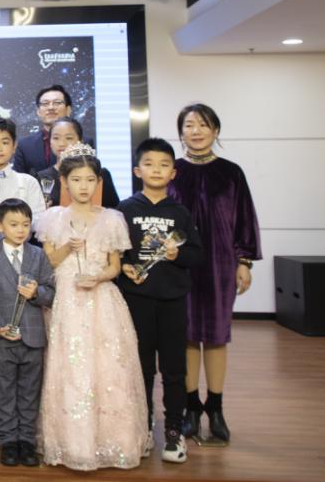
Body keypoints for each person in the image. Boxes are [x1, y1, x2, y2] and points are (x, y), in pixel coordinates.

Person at [35, 143, 149, 471]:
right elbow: (48, 262)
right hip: (66, 299)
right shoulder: (52, 218)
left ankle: (114, 441)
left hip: (101, 300)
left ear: (98, 182)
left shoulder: (112, 219)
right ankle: (71, 442)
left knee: (108, 367)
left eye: (89, 180)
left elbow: (114, 266)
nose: (83, 186)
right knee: (68, 366)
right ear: (64, 182)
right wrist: (67, 249)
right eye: (76, 180)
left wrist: (98, 277)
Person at [169, 103, 261, 444]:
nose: (196, 131)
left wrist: (244, 262)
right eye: (189, 125)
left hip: (221, 263)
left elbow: (245, 219)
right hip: (180, 264)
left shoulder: (231, 172)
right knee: (188, 335)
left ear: (215, 130)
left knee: (217, 336)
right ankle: (192, 407)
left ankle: (217, 408)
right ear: (181, 132)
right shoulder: (173, 171)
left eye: (203, 125)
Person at [118, 138, 204, 464]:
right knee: (140, 368)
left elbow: (197, 255)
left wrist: (176, 254)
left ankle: (173, 430)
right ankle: (142, 425)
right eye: (149, 164)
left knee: (173, 369)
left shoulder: (180, 213)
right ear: (137, 170)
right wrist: (124, 268)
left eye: (164, 164)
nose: (156, 170)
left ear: (173, 173)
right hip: (136, 300)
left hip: (172, 301)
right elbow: (115, 254)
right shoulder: (125, 210)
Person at [0, 198, 55, 468]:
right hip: (4, 338)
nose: (21, 230)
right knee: (5, 392)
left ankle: (27, 441)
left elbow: (51, 292)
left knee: (30, 392)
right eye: (13, 224)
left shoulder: (38, 255)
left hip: (33, 337)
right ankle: (8, 441)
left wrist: (36, 293)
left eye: (25, 224)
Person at [37, 117, 119, 208]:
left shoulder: (101, 174)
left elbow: (114, 208)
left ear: (80, 141)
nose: (62, 143)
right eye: (56, 138)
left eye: (69, 138)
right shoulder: (41, 177)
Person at [12, 85, 72, 176]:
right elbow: (18, 180)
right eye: (45, 104)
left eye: (57, 103)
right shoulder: (24, 145)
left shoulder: (83, 142)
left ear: (68, 110)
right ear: (38, 112)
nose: (51, 107)